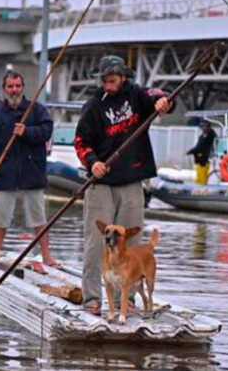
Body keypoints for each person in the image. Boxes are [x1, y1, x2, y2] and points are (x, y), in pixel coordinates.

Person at [74, 55, 173, 315]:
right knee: (97, 243)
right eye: (104, 81)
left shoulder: (137, 95)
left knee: (131, 242)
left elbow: (159, 95)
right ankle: (92, 298)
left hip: (131, 178)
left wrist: (163, 103)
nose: (108, 85)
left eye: (112, 81)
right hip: (101, 182)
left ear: (123, 78)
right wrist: (92, 162)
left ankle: (125, 300)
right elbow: (81, 142)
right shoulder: (94, 106)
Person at [0, 71, 58, 267]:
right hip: (5, 174)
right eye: (10, 86)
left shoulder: (36, 110)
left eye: (18, 86)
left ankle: (47, 256)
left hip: (32, 172)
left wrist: (27, 132)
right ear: (4, 89)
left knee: (39, 218)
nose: (14, 90)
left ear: (23, 87)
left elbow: (47, 130)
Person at [186, 119, 217, 184]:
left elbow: (200, 147)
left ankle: (201, 189)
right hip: (199, 160)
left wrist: (191, 151)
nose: (202, 128)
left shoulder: (210, 136)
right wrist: (192, 151)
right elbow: (198, 147)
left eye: (204, 126)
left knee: (202, 178)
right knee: (198, 177)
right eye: (202, 127)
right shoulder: (202, 136)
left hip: (204, 160)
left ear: (208, 127)